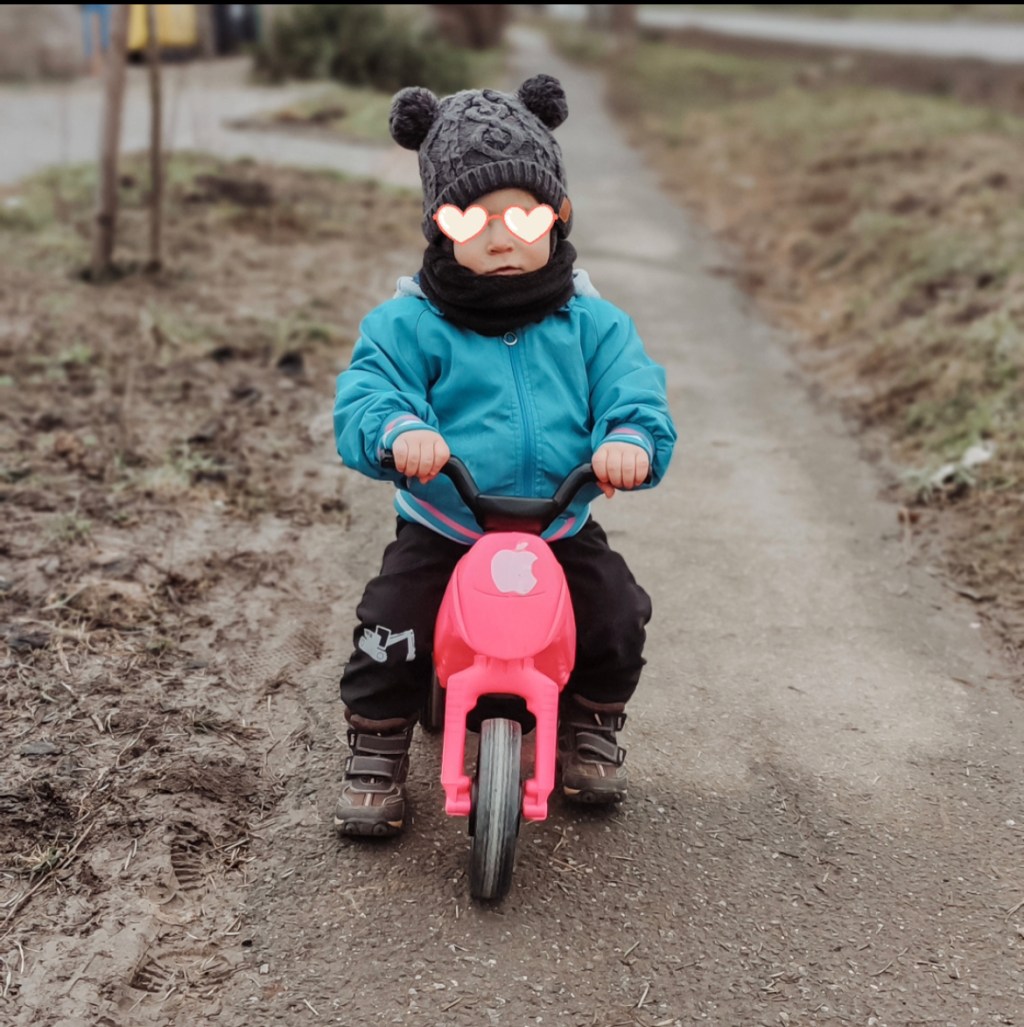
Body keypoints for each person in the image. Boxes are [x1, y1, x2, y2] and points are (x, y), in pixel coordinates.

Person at [332, 74, 677, 837]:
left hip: (554, 524)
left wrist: (627, 441)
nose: (501, 236)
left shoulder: (593, 322)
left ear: (557, 215)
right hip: (447, 520)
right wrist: (396, 432)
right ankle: (378, 744)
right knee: (391, 623)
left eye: (523, 215)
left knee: (614, 614)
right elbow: (366, 394)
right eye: (471, 218)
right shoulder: (409, 323)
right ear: (438, 226)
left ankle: (591, 722)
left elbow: (635, 395)